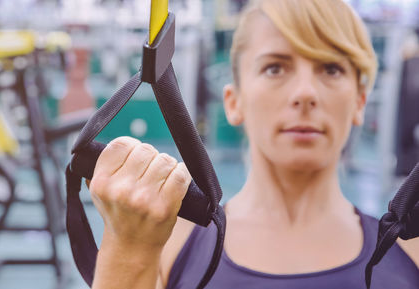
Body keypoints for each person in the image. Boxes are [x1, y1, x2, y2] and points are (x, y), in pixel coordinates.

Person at [86, 0, 419, 288]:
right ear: (234, 101)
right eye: (275, 68)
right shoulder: (165, 244)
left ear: (360, 101)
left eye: (331, 69)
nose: (305, 93)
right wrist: (127, 246)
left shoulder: (411, 253)